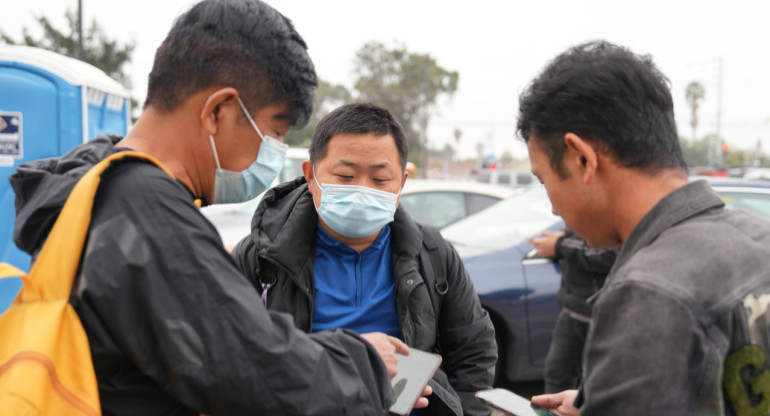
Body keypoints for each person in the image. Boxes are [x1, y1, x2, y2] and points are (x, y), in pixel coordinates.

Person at [9, 1, 425, 414]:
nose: (274, 150)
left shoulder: (98, 184)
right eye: (274, 131)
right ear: (219, 111)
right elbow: (255, 374)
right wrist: (363, 359)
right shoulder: (147, 214)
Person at [518, 40, 770, 415]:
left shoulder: (648, 292)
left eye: (544, 181)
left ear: (582, 158)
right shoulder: (759, 237)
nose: (553, 206)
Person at [231, 102, 498, 416]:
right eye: (345, 176)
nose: (361, 191)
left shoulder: (433, 253)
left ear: (401, 184)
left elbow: (474, 352)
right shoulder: (261, 256)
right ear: (311, 175)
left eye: (380, 180)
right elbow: (231, 356)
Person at [529, 229, 617, 393]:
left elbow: (610, 254)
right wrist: (564, 235)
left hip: (605, 318)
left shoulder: (614, 215)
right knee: (557, 374)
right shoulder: (578, 219)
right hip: (571, 313)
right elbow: (576, 234)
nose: (555, 212)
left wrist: (559, 245)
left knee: (600, 384)